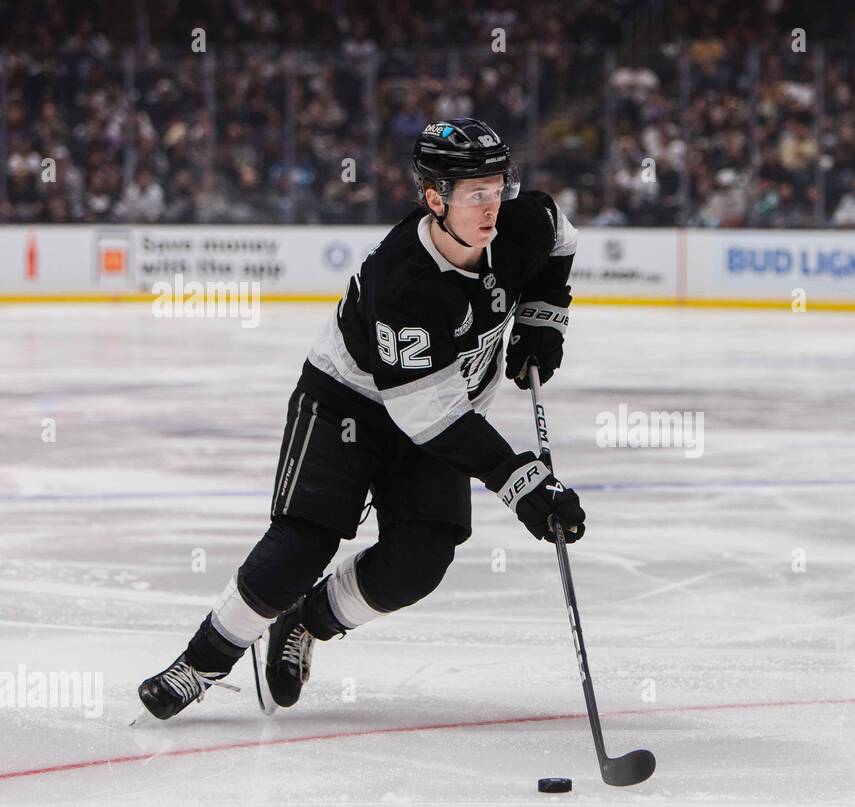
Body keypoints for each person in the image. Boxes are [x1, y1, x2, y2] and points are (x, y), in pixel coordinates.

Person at [138, 117, 585, 719]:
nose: (492, 207)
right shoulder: (404, 282)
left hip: (441, 406)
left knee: (420, 562)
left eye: (498, 187)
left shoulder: (519, 225)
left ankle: (309, 620)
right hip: (348, 399)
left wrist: (542, 319)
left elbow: (560, 234)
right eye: (474, 195)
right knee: (304, 542)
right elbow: (428, 417)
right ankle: (200, 663)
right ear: (435, 199)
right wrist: (518, 479)